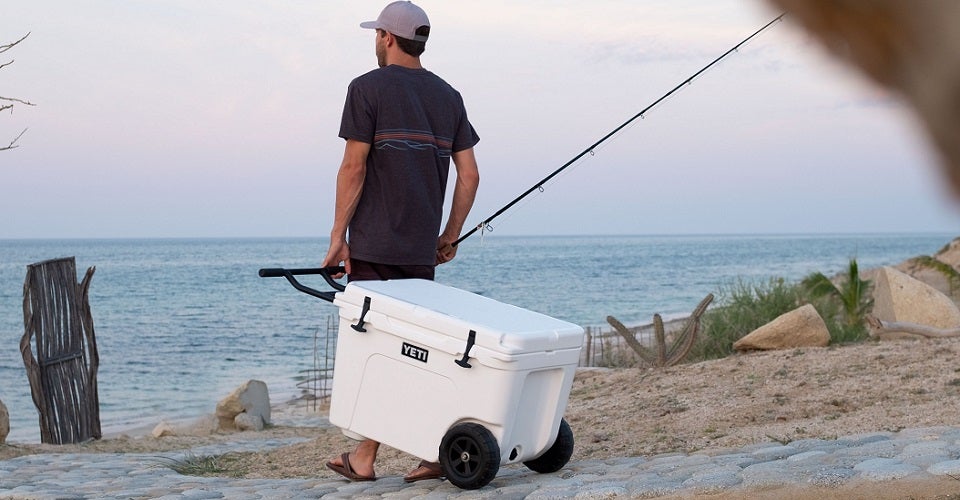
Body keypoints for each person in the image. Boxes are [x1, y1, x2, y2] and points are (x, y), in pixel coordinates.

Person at [321, 1, 481, 483]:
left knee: (379, 353)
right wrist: (448, 236)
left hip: (372, 246)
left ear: (388, 38)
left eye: (376, 34)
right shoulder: (448, 96)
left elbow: (353, 167)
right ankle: (428, 452)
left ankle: (367, 459)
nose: (375, 41)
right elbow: (469, 175)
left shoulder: (365, 88)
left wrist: (337, 239)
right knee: (417, 351)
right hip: (418, 252)